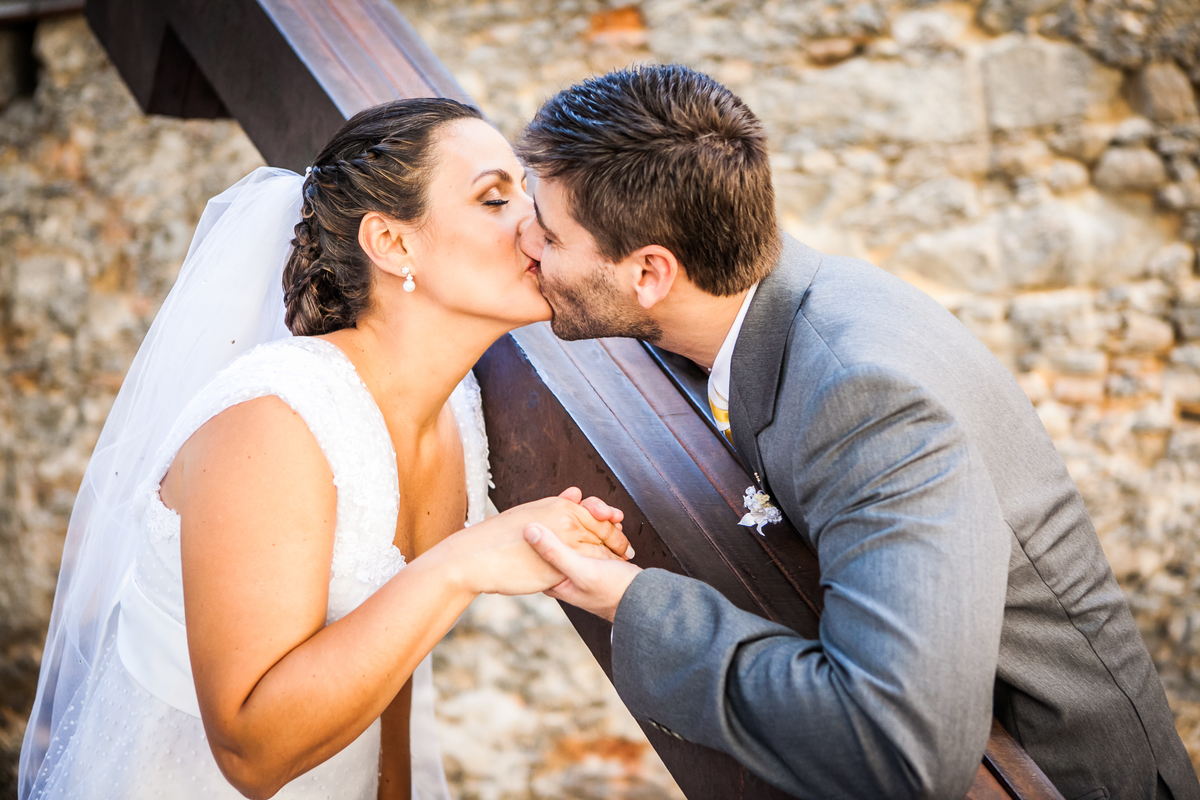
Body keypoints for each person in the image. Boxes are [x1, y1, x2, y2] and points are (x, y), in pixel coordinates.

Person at [514, 64, 1200, 800]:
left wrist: (633, 603)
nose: (522, 238)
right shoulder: (753, 304)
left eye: (547, 233)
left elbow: (901, 749)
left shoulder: (866, 400)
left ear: (651, 273)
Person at [19, 98, 633, 800]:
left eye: (527, 191)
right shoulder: (276, 423)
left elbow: (388, 681)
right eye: (495, 199)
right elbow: (251, 754)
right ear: (392, 244)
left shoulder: (457, 411)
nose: (535, 221)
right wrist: (468, 562)